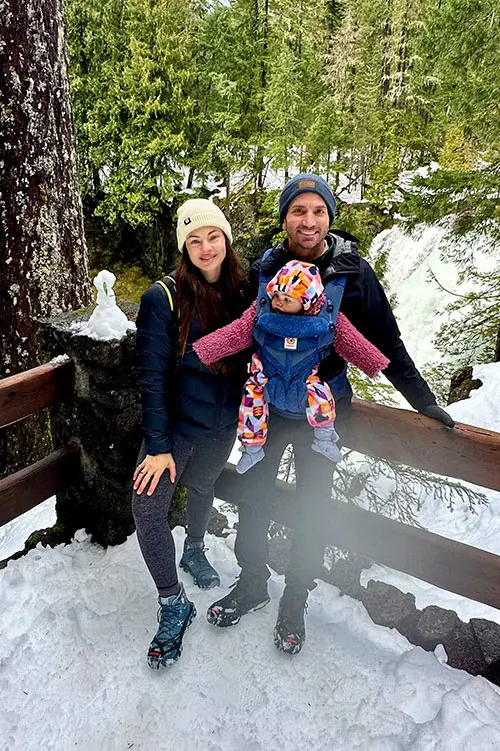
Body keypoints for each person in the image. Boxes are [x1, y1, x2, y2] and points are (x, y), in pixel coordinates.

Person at [203, 173, 455, 656]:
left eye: (318, 210)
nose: (308, 220)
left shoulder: (353, 273)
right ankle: (253, 581)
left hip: (323, 412)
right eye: (298, 211)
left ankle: (295, 596)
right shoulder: (267, 266)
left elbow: (385, 341)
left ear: (330, 218)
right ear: (284, 219)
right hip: (271, 409)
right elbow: (240, 332)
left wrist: (422, 400)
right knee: (254, 496)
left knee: (313, 506)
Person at [132, 198, 251, 669]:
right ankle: (172, 602)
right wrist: (158, 447)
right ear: (184, 247)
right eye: (194, 240)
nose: (205, 248)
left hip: (223, 422)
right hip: (177, 427)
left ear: (226, 239)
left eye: (213, 236)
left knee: (204, 486)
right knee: (146, 507)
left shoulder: (245, 289)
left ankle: (195, 550)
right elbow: (152, 375)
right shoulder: (162, 297)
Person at [193, 259, 389, 473]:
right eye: (276, 295)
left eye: (287, 299)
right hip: (268, 381)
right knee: (251, 404)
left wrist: (374, 363)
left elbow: (354, 344)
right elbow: (234, 334)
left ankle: (324, 439)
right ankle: (251, 450)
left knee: (321, 397)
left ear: (307, 301)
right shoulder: (260, 313)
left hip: (305, 382)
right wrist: (203, 350)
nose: (278, 302)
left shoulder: (329, 318)